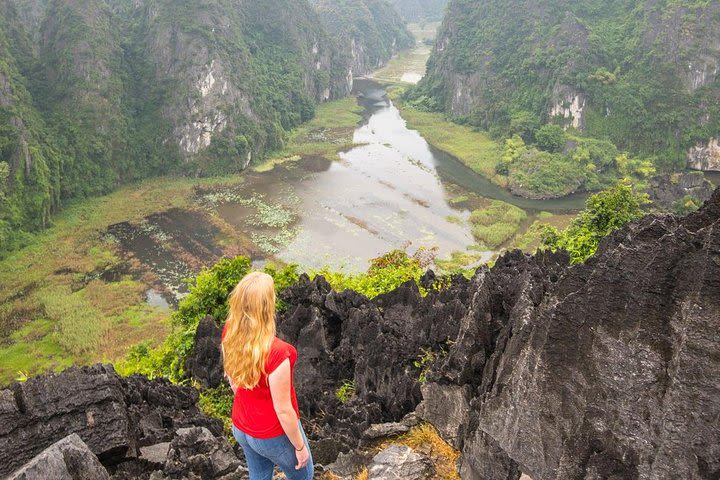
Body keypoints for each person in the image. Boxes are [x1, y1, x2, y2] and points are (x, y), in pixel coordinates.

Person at [221, 271, 313, 480]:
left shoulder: (230, 331)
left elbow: (233, 379)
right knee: (304, 476)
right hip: (270, 434)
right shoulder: (278, 353)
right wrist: (299, 447)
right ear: (267, 306)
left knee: (259, 476)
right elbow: (283, 410)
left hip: (242, 426)